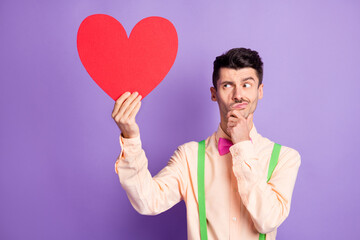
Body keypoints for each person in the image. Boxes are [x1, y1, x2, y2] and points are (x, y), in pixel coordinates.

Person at [111, 48, 301, 240]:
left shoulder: (284, 158)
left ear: (259, 91)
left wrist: (243, 145)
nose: (238, 95)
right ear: (214, 93)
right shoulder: (189, 156)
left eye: (246, 85)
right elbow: (147, 201)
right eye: (227, 85)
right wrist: (130, 137)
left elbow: (267, 220)